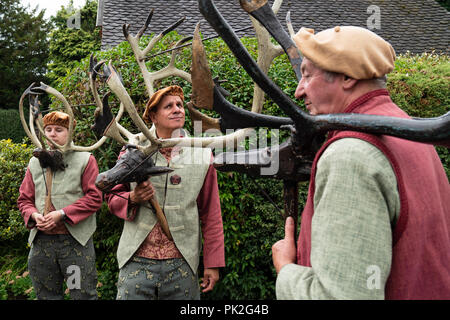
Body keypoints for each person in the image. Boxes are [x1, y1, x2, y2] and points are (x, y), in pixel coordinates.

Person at [272, 26, 450, 299]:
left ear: (347, 77)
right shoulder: (407, 129)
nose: (298, 91)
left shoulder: (350, 155)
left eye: (307, 75)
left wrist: (286, 270)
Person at [105, 85, 225, 300]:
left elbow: (211, 213)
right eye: (168, 106)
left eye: (179, 105)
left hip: (182, 262)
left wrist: (212, 263)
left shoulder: (202, 154)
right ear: (153, 116)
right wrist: (133, 198)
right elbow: (111, 197)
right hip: (136, 260)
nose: (177, 109)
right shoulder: (133, 148)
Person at [18, 111, 103, 300]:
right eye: (48, 130)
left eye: (59, 129)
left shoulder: (85, 160)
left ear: (70, 132)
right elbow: (24, 200)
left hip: (74, 246)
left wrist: (62, 214)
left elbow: (94, 198)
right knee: (47, 296)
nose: (52, 134)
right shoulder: (34, 162)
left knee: (81, 295)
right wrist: (34, 215)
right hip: (42, 246)